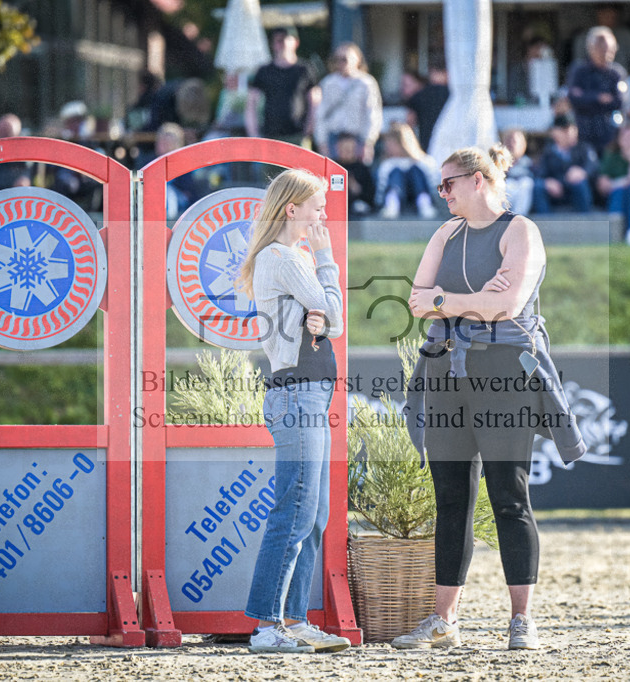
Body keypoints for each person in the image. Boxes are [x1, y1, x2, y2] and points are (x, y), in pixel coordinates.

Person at [395, 145, 584, 651]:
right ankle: (444, 621)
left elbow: (509, 305)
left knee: (509, 496)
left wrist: (448, 302)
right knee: (450, 499)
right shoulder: (445, 233)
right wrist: (474, 302)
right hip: (445, 369)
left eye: (448, 184)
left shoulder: (520, 230)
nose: (442, 193)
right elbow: (416, 303)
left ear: (477, 180)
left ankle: (521, 620)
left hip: (503, 371)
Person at [234, 169, 348, 655]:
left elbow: (331, 320)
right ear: (292, 209)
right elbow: (333, 314)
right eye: (317, 207)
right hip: (297, 394)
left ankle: (295, 620)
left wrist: (322, 308)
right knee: (296, 510)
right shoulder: (281, 258)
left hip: (308, 394)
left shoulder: (287, 258)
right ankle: (267, 625)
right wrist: (326, 260)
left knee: (313, 513)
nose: (323, 215)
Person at [245, 27, 319, 147]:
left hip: (297, 135)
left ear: (296, 43)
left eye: (285, 39)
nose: (282, 44)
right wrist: (254, 134)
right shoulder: (264, 71)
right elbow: (251, 103)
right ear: (272, 44)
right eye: (278, 40)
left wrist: (308, 130)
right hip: (270, 136)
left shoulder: (305, 69)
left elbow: (314, 102)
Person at [314, 43, 382, 163]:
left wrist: (368, 141)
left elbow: (373, 113)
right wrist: (321, 142)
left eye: (345, 59)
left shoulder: (366, 83)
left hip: (357, 138)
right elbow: (320, 114)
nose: (341, 63)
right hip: (333, 137)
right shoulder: (328, 83)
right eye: (337, 59)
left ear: (357, 59)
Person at [567, 27, 625, 153]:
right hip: (585, 133)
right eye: (601, 49)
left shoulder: (616, 73)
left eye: (610, 50)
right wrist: (599, 97)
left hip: (610, 135)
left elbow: (620, 102)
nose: (606, 54)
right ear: (591, 49)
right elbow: (574, 99)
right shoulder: (579, 71)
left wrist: (587, 97)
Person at [531, 113, 598, 214]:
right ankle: (545, 222)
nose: (570, 133)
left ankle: (584, 220)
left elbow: (593, 165)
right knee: (538, 186)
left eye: (573, 129)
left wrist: (582, 172)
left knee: (580, 184)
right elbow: (539, 173)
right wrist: (548, 182)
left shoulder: (583, 148)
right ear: (554, 132)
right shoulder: (548, 152)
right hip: (556, 191)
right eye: (564, 130)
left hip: (576, 191)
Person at [375, 121, 439, 219]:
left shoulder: (424, 161)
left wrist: (435, 199)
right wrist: (380, 201)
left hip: (420, 194)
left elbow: (434, 182)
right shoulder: (387, 164)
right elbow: (381, 187)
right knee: (396, 172)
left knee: (415, 171)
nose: (388, 147)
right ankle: (392, 204)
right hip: (399, 196)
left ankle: (424, 203)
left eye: (393, 144)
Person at [570, 4, 630, 76]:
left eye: (612, 11)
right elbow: (578, 66)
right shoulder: (583, 38)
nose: (608, 16)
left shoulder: (626, 35)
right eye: (604, 11)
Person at [406, 62, 449, 154]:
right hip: (448, 141)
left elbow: (410, 122)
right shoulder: (453, 95)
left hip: (426, 142)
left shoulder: (418, 95)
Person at [334, 132, 375, 216]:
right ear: (337, 148)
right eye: (345, 149)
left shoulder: (363, 169)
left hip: (356, 210)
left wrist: (357, 189)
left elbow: (370, 197)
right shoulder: (331, 166)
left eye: (350, 149)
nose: (348, 152)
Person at [501, 128, 534, 215]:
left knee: (526, 183)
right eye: (509, 141)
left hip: (522, 193)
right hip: (506, 193)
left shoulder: (528, 163)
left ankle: (518, 217)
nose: (511, 145)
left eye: (514, 141)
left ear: (523, 144)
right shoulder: (499, 163)